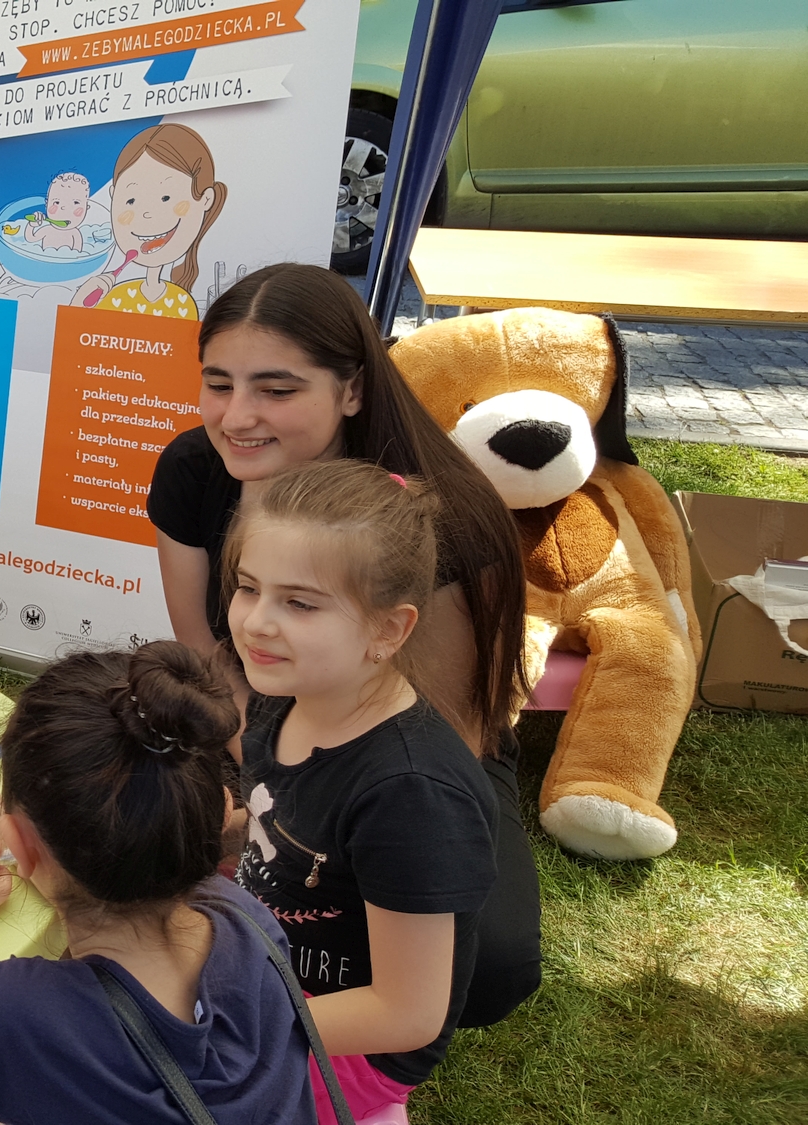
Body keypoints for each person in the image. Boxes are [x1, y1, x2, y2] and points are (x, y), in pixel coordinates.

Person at [147, 262, 540, 1028]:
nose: (237, 416)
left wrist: (302, 821)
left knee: (486, 965)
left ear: (352, 389)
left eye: (277, 389)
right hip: (254, 725)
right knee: (122, 837)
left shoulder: (445, 518)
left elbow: (449, 725)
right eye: (218, 383)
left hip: (411, 751)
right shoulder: (194, 469)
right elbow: (207, 655)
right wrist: (260, 785)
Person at [0, 643, 317, 1125]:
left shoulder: (20, 1013)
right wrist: (12, 829)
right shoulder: (249, 920)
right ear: (219, 812)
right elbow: (116, 874)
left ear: (21, 846)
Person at [225, 459, 498, 1124]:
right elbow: (273, 831)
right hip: (267, 972)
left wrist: (224, 1016)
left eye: (299, 602)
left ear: (388, 630)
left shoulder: (411, 794)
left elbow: (407, 1013)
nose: (256, 622)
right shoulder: (285, 694)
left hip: (344, 1048)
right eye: (248, 587)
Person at [71, 123, 225, 318]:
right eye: (131, 200)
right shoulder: (109, 297)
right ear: (113, 195)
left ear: (206, 199)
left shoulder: (183, 304)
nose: (146, 213)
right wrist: (77, 309)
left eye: (166, 198)